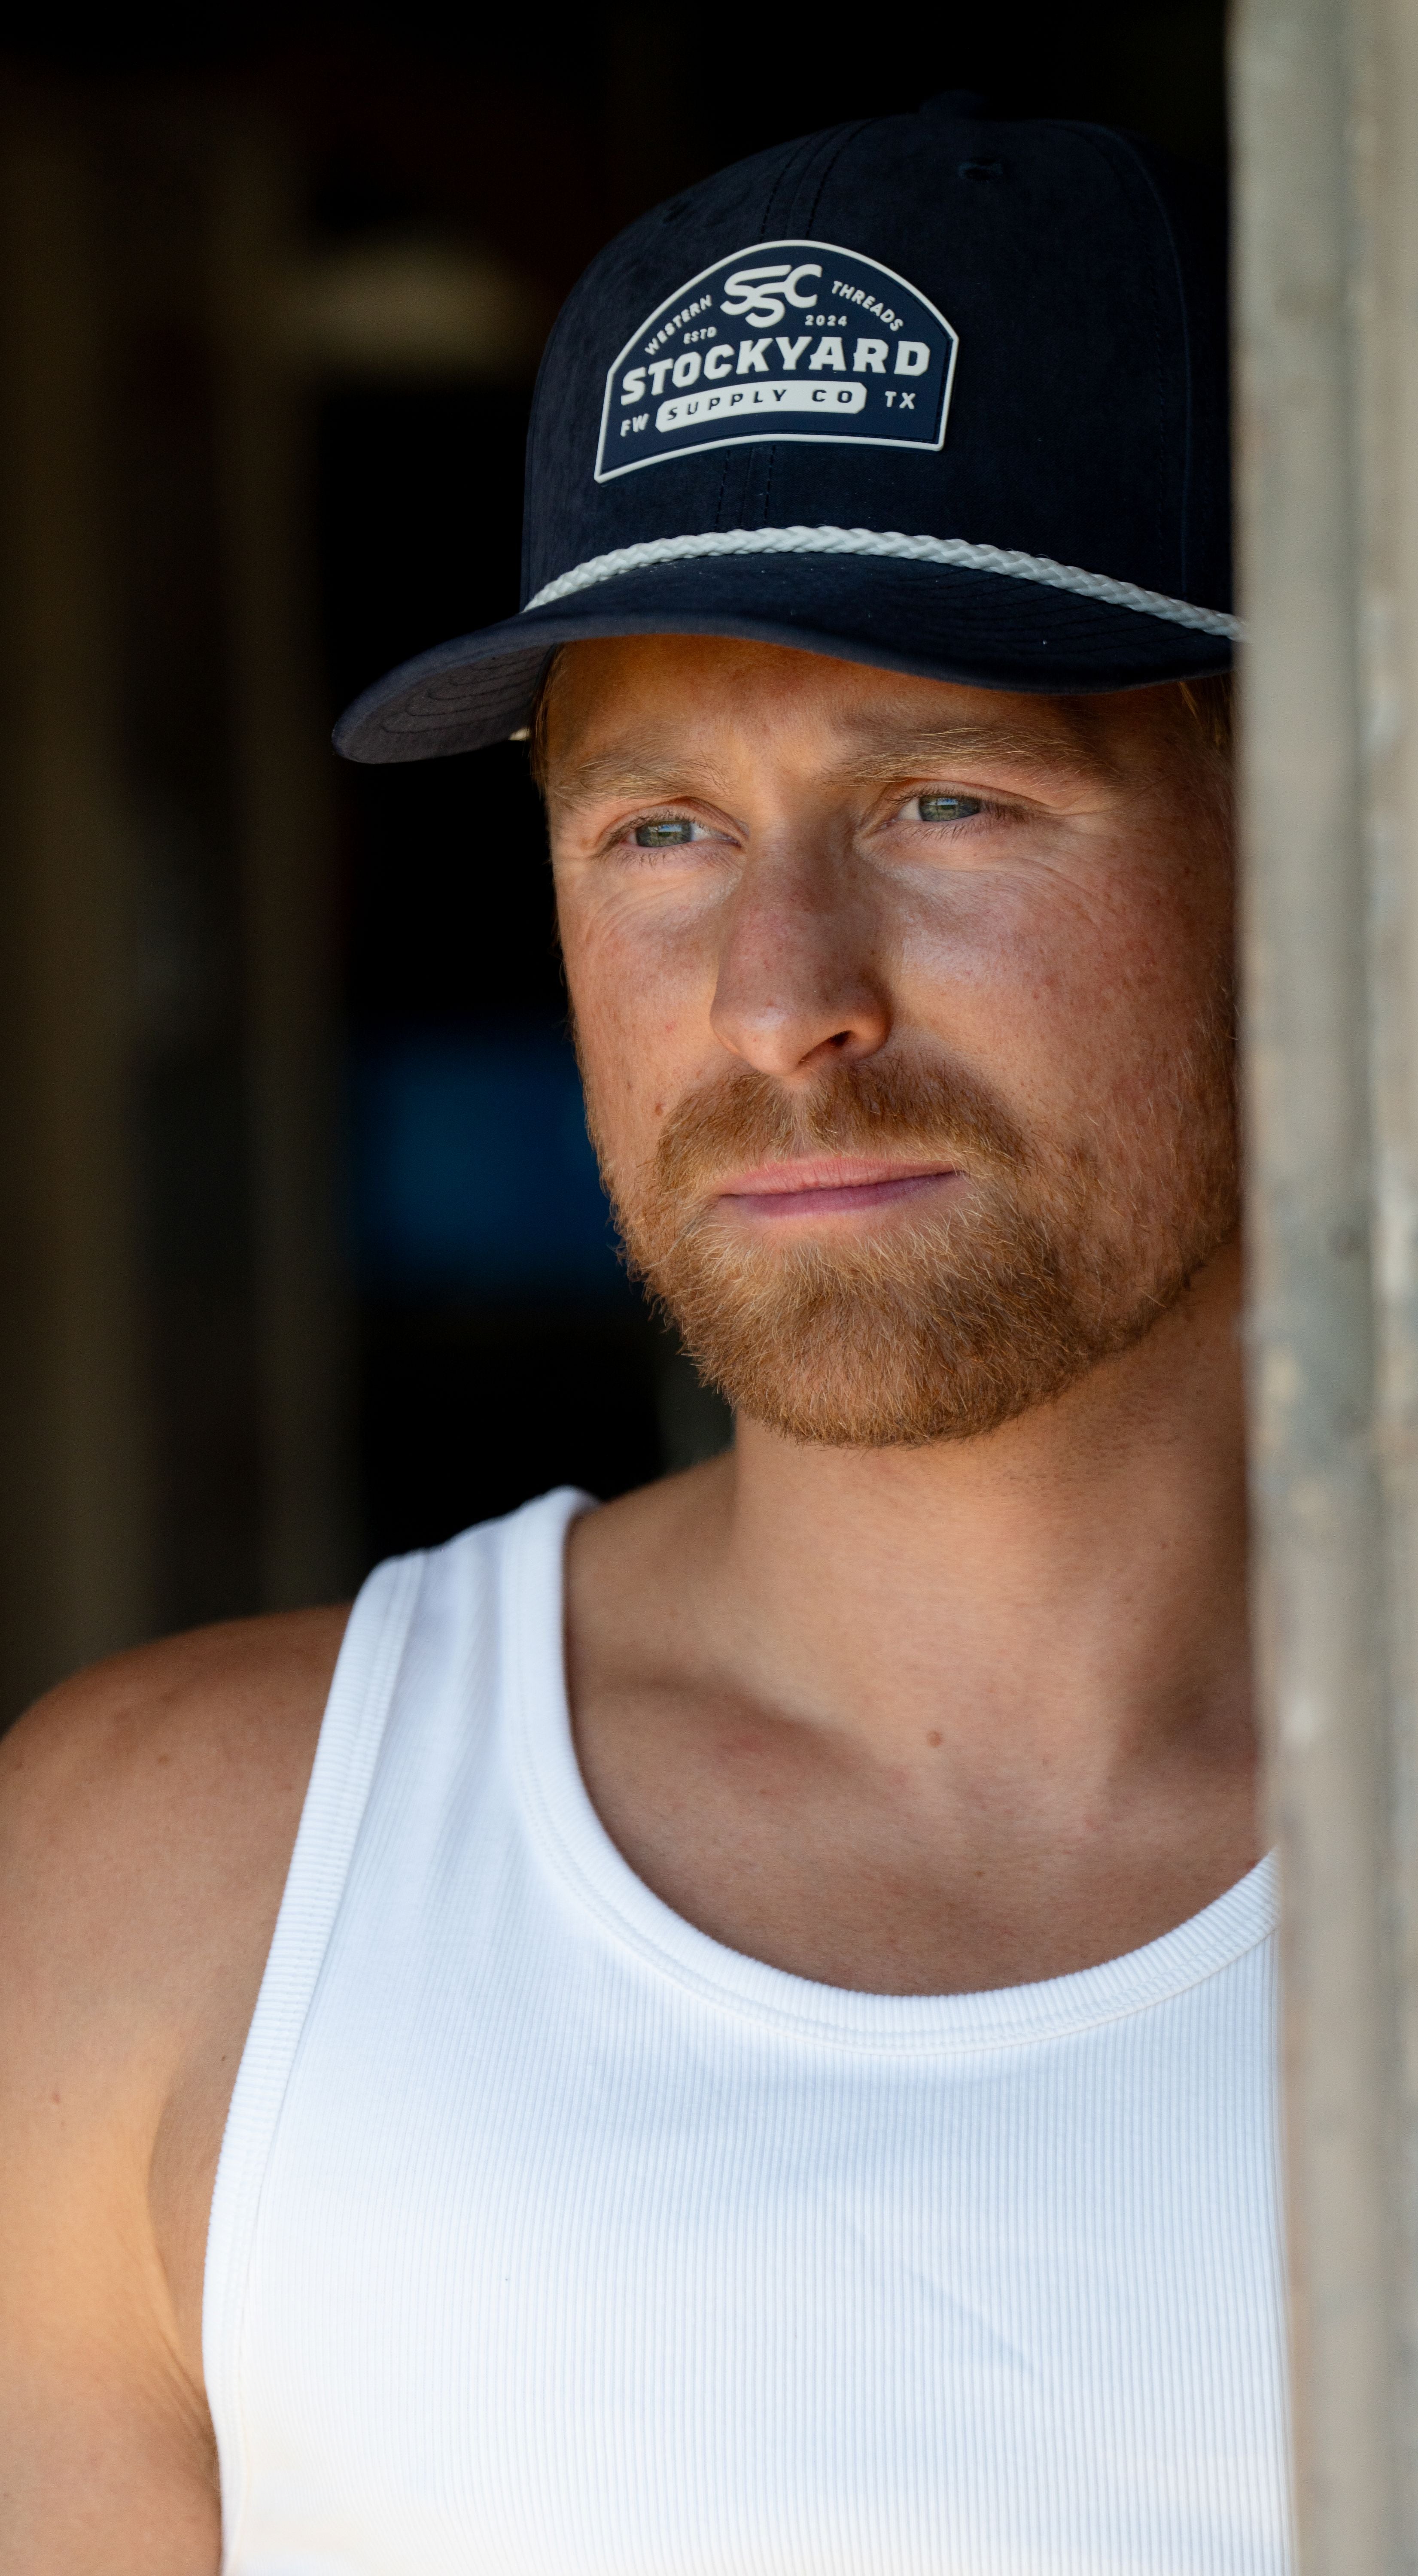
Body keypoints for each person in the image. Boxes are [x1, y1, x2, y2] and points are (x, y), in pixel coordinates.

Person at [0, 101, 1287, 2575]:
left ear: (1304, 851)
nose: (783, 999)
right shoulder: (161, 1894)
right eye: (659, 829)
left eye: (949, 799)